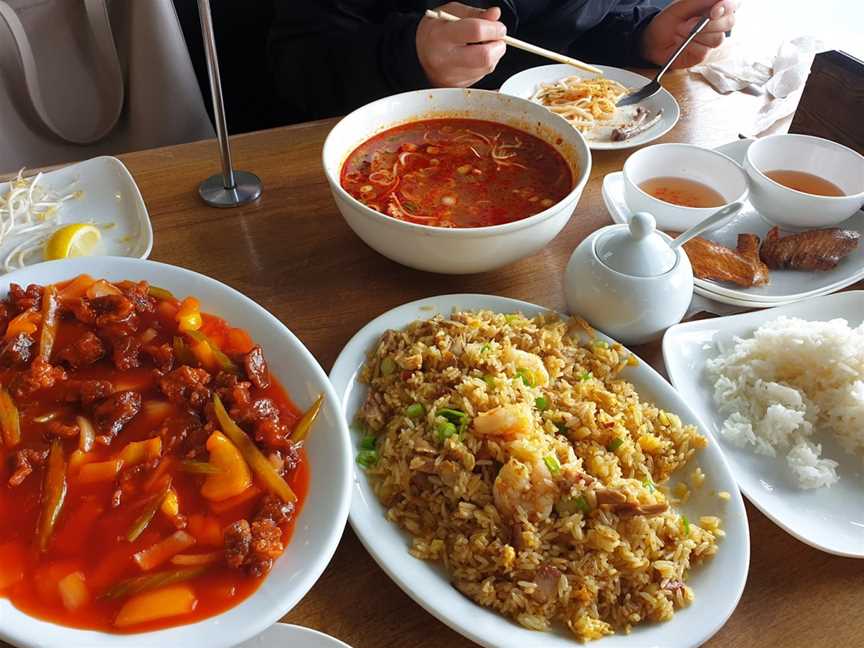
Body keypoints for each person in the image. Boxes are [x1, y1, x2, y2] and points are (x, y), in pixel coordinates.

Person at [269, 0, 736, 123]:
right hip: (367, 153)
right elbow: (295, 62)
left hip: (581, 176)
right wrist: (408, 58)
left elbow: (585, 19)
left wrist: (644, 35)